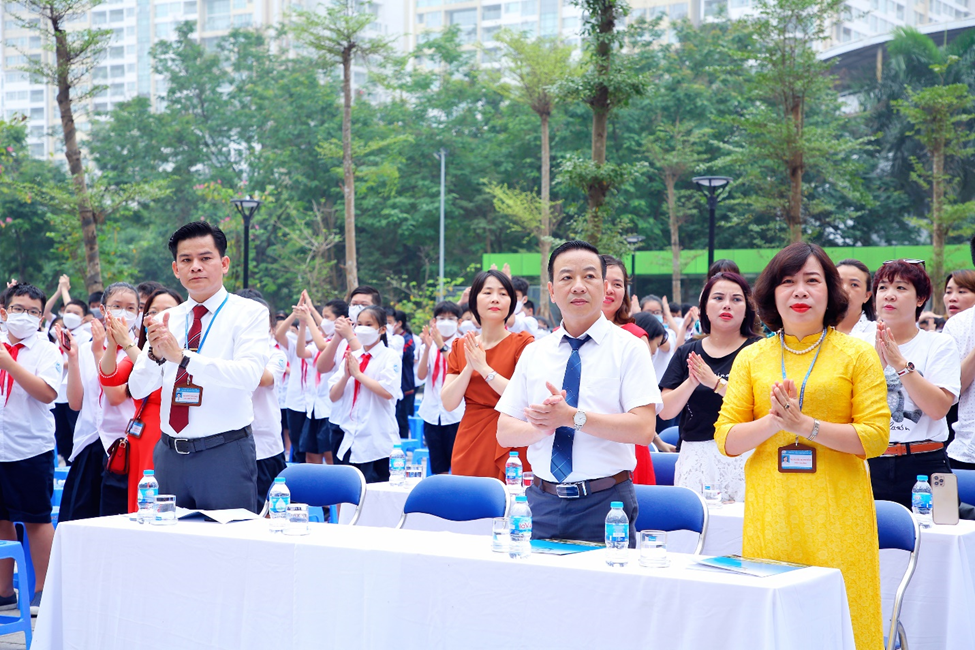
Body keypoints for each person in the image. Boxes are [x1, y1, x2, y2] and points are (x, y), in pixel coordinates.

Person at [713, 242, 889, 650]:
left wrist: (806, 426)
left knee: (841, 618)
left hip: (838, 512)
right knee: (777, 623)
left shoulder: (857, 355)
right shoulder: (753, 357)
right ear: (772, 293)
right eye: (788, 282)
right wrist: (773, 422)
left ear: (831, 291)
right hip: (772, 511)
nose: (800, 291)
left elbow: (875, 437)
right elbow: (726, 439)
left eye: (812, 281)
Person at [496, 241, 659, 546]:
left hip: (606, 504)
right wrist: (543, 427)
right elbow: (504, 432)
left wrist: (572, 418)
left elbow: (643, 429)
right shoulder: (535, 352)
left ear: (605, 286)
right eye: (567, 277)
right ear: (551, 290)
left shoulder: (629, 349)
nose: (578, 286)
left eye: (589, 276)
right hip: (541, 501)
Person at [128, 221, 270, 512]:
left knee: (226, 538)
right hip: (169, 453)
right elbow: (137, 388)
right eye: (186, 260)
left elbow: (248, 377)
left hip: (224, 453)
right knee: (170, 537)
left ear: (224, 263)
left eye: (205, 258)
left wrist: (182, 357)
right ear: (175, 269)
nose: (195, 267)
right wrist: (154, 355)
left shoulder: (249, 313)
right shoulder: (168, 318)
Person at [855, 260, 959, 508]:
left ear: (920, 299)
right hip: (869, 461)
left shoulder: (939, 344)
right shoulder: (857, 344)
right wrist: (876, 364)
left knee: (941, 528)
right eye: (882, 288)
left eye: (901, 288)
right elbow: (849, 408)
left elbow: (938, 409)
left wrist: (900, 365)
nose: (889, 295)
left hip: (927, 461)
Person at [660, 272, 761, 501]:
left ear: (747, 308)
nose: (727, 305)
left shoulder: (759, 350)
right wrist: (692, 381)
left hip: (745, 454)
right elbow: (665, 411)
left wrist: (715, 383)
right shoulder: (687, 351)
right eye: (718, 298)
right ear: (704, 307)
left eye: (736, 299)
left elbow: (760, 404)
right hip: (697, 456)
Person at [0, 283, 61, 613]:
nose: (25, 316)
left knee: (36, 519)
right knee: (1, 520)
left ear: (41, 318)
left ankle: (42, 589)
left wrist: (9, 364)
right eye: (18, 309)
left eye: (33, 312)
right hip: (1, 446)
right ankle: (4, 591)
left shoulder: (46, 350)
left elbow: (47, 393)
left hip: (30, 448)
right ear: (4, 311)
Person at [98, 288, 183, 513]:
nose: (158, 316)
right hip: (140, 437)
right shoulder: (144, 349)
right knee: (140, 503)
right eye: (152, 311)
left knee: (162, 501)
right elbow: (109, 377)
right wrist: (112, 344)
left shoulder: (185, 352)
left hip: (166, 434)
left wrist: (127, 344)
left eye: (167, 310)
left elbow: (162, 377)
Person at [443, 270, 534, 480]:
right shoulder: (460, 346)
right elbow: (448, 402)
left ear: (511, 303)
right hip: (470, 440)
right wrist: (469, 366)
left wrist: (484, 368)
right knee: (469, 497)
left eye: (503, 294)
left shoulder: (524, 344)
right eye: (487, 292)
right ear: (474, 301)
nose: (495, 299)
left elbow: (524, 397)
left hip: (511, 438)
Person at [328, 305, 402, 482]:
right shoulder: (352, 356)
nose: (362, 329)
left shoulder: (390, 356)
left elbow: (387, 391)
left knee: (376, 493)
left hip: (377, 443)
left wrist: (358, 375)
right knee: (348, 492)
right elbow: (333, 395)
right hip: (350, 440)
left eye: (369, 325)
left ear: (382, 329)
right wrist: (346, 376)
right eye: (359, 324)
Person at [243, 295, 289, 503]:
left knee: (270, 509)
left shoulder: (275, 354)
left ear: (270, 326)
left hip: (265, 446)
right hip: (229, 447)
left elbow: (265, 379)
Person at [417, 302, 466, 474]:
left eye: (451, 318)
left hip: (456, 414)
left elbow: (458, 368)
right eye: (441, 318)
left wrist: (441, 346)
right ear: (434, 322)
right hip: (432, 412)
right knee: (438, 465)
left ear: (459, 322)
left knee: (459, 464)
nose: (446, 322)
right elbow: (421, 375)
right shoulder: (427, 345)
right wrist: (427, 348)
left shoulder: (463, 344)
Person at [296, 299, 345, 464]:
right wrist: (303, 324)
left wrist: (309, 317)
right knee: (311, 454)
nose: (323, 321)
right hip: (314, 407)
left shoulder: (338, 342)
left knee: (329, 455)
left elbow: (323, 346)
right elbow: (301, 352)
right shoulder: (324, 340)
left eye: (327, 317)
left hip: (329, 407)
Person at [273, 291, 318, 463]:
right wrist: (296, 313)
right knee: (298, 443)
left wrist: (311, 314)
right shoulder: (294, 345)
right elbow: (279, 334)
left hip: (315, 403)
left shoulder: (322, 346)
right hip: (296, 402)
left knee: (313, 447)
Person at [386, 309, 416, 439]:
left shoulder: (406, 339)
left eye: (388, 322)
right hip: (389, 386)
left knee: (401, 420)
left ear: (398, 323)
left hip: (405, 386)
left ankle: (402, 445)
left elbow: (397, 355)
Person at [835, 259, 876, 337]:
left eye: (854, 285)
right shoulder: (816, 329)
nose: (844, 289)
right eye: (839, 283)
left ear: (867, 296)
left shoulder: (876, 334)